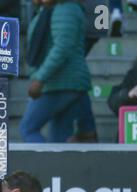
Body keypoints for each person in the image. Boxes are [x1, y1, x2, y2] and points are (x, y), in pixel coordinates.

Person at [20, 0, 97, 143]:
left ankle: (44, 165)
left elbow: (62, 48)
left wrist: (40, 79)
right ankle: (55, 165)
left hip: (61, 83)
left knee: (28, 128)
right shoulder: (53, 8)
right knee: (58, 142)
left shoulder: (66, 9)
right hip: (63, 83)